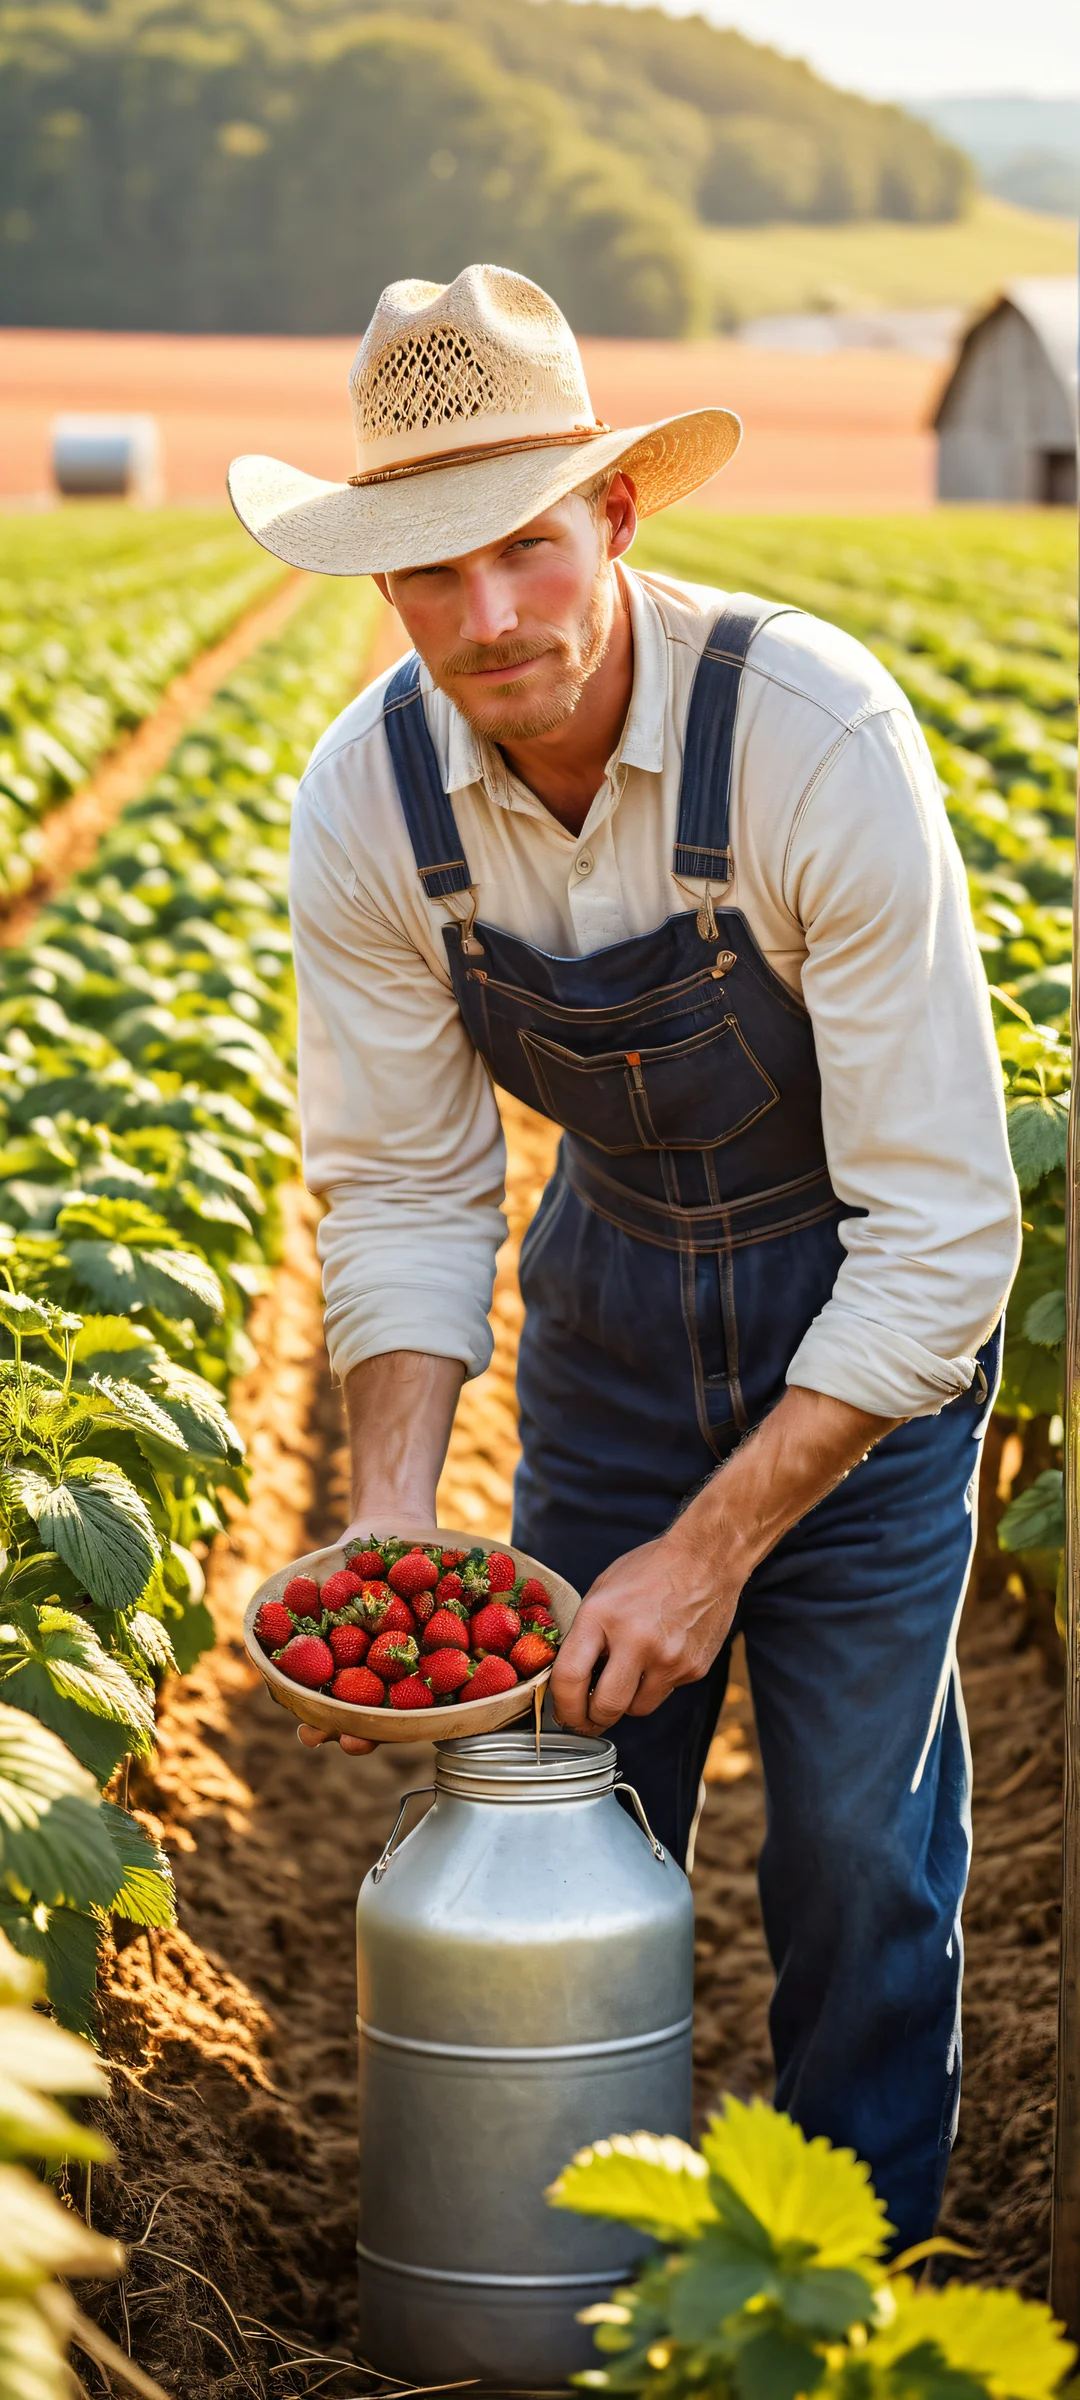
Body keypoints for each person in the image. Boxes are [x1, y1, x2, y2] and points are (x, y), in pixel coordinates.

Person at [228, 265, 1021, 2244]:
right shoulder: (368, 805)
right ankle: (571, 2271)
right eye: (428, 571)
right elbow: (409, 1188)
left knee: (851, 1841)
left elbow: (943, 1228)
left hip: (868, 1336)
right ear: (382, 583)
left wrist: (719, 1537)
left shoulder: (811, 739)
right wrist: (395, 1524)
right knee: (565, 1806)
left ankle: (843, 2285)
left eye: (522, 547)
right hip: (610, 1315)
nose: (486, 617)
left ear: (616, 516)